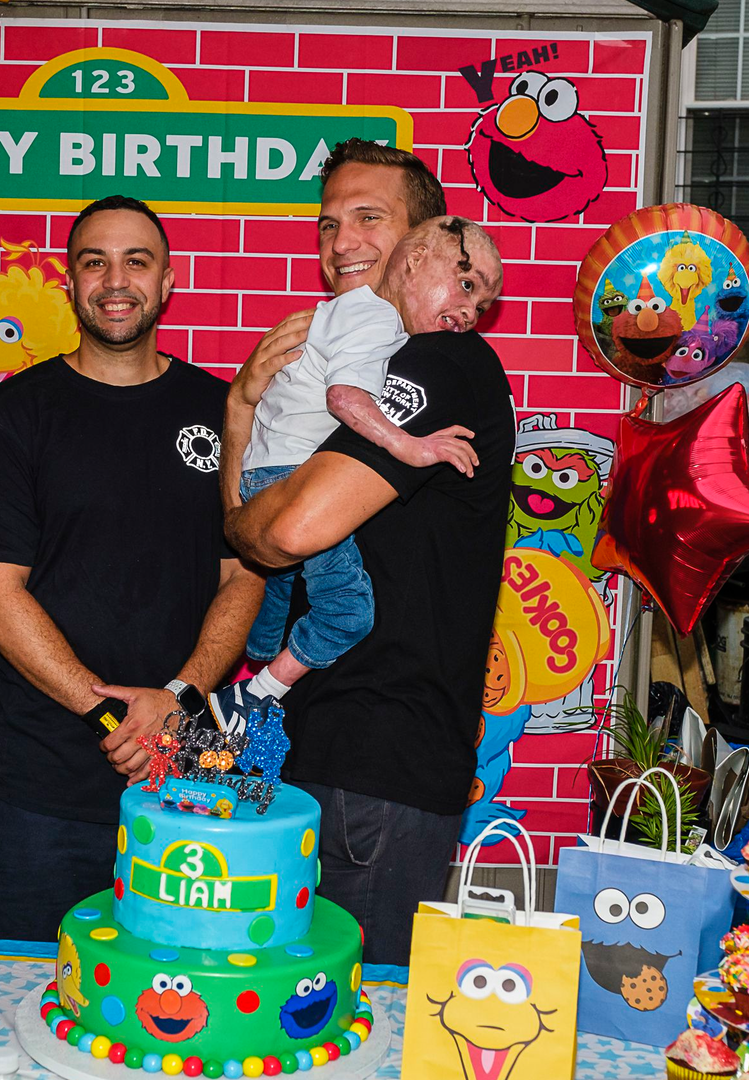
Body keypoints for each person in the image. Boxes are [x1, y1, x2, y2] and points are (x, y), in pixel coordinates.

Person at [221, 141, 517, 964]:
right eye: (328, 223)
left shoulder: (440, 360)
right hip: (307, 745)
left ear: (429, 236)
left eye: (368, 218)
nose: (341, 241)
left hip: (376, 761)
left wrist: (251, 523)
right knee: (274, 1011)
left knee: (355, 1021)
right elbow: (252, 541)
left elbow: (280, 532)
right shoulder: (353, 354)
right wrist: (242, 416)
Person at [0, 195, 263, 942]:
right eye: (94, 262)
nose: (115, 280)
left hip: (192, 781)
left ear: (168, 281)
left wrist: (176, 699)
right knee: (17, 998)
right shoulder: (14, 415)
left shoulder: (221, 410)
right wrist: (119, 718)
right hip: (40, 788)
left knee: (186, 1008)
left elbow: (246, 574)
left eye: (137, 261)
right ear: (69, 283)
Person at [212, 216, 502, 731]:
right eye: (465, 283)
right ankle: (253, 695)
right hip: (290, 474)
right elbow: (345, 398)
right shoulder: (375, 323)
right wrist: (407, 445)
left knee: (277, 587)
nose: (468, 311)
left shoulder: (352, 316)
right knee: (348, 612)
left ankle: (259, 650)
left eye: (480, 305)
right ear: (414, 261)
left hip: (264, 474)